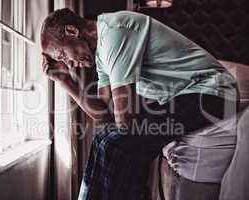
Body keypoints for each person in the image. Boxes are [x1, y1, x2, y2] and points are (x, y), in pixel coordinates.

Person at [40, 8, 239, 200]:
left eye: (63, 56)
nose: (68, 63)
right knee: (102, 138)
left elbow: (124, 121)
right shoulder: (100, 53)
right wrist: (64, 80)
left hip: (215, 93)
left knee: (118, 144)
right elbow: (103, 114)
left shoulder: (115, 31)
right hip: (186, 95)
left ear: (73, 31)